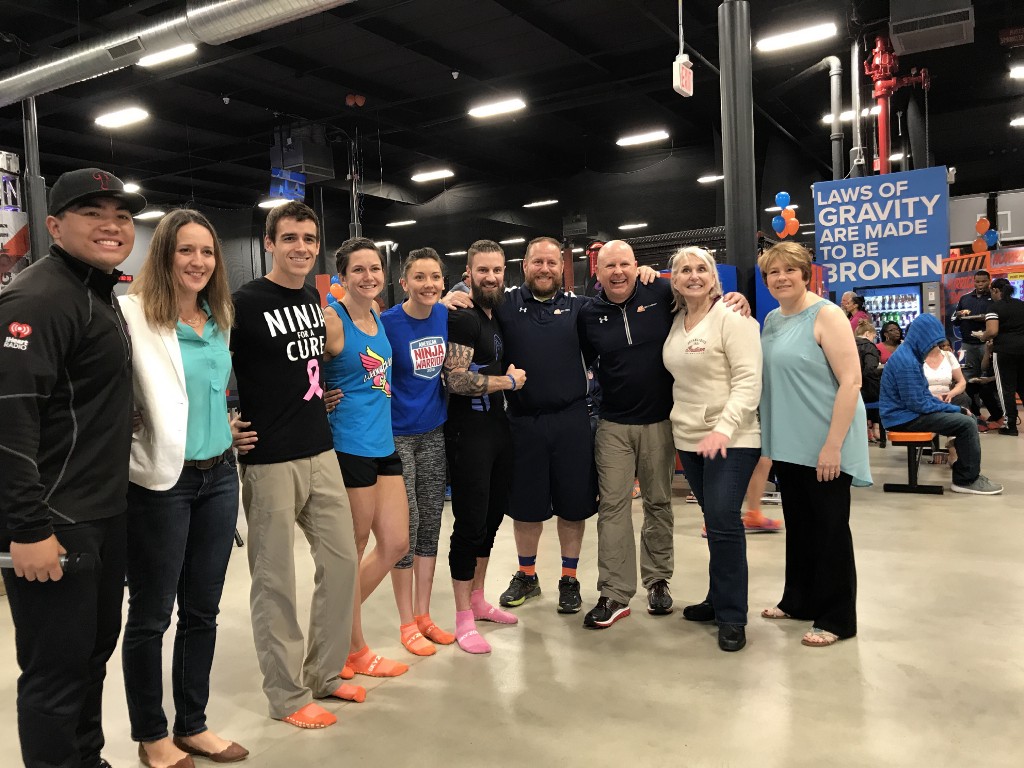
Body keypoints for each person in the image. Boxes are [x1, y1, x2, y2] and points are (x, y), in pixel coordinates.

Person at [0, 167, 144, 768]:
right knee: (56, 673)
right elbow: (8, 421)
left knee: (90, 657)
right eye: (92, 212)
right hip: (55, 521)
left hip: (102, 513)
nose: (111, 224)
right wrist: (28, 529)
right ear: (55, 226)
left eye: (122, 214)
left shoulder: (96, 292)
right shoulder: (39, 296)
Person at [118, 210, 248, 767]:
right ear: (164, 254)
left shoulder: (218, 317)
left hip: (219, 475)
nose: (198, 262)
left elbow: (212, 392)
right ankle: (152, 736)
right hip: (161, 483)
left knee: (204, 609)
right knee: (152, 615)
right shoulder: (132, 316)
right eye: (186, 251)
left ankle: (192, 724)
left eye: (208, 252)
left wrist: (225, 426)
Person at [230, 201, 361, 730]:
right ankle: (286, 695)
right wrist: (226, 420)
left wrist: (320, 392)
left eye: (309, 238)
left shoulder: (313, 297)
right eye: (290, 238)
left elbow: (310, 360)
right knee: (275, 580)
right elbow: (214, 364)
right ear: (269, 242)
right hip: (269, 459)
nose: (301, 247)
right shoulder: (243, 302)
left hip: (319, 448)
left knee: (342, 561)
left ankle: (325, 673)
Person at [576, 240, 750, 629]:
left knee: (658, 504)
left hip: (660, 423)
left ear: (637, 266)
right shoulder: (589, 314)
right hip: (613, 425)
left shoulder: (660, 292)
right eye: (609, 267)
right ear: (598, 273)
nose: (618, 272)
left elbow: (701, 297)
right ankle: (615, 593)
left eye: (624, 264)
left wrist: (735, 298)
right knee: (613, 509)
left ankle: (658, 581)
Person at [758, 242, 870, 648]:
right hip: (788, 443)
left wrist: (833, 446)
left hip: (825, 440)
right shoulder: (771, 319)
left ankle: (839, 617)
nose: (782, 277)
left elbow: (851, 382)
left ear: (806, 273)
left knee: (830, 530)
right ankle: (799, 600)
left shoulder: (827, 314)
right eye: (774, 272)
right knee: (801, 527)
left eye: (790, 270)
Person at [662, 247, 762, 653]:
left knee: (723, 521)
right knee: (713, 520)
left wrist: (723, 429)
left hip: (732, 439)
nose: (693, 275)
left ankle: (733, 615)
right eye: (684, 270)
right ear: (674, 279)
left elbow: (748, 380)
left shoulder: (733, 317)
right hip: (689, 438)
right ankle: (717, 597)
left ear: (714, 277)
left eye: (701, 268)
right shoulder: (676, 321)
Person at [323, 237, 411, 675]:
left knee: (396, 543)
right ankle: (351, 648)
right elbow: (295, 371)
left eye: (374, 269)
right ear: (342, 277)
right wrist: (315, 399)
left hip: (383, 442)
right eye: (358, 270)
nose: (368, 277)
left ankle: (329, 627)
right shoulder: (332, 319)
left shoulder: (375, 312)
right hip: (349, 444)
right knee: (353, 549)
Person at [442, 239, 526, 654]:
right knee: (470, 523)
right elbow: (454, 378)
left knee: (492, 520)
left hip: (497, 427)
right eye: (482, 271)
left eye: (496, 270)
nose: (490, 277)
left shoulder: (497, 313)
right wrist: (506, 382)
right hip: (468, 432)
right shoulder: (463, 317)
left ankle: (478, 599)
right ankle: (461, 617)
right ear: (468, 274)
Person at [380, 248, 456, 651]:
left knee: (430, 522)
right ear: (404, 282)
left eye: (436, 277)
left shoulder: (445, 314)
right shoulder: (388, 323)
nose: (429, 284)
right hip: (396, 436)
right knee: (404, 528)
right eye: (420, 277)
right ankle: (405, 622)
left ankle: (424, 615)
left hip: (433, 431)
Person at [879, 313, 1003, 495]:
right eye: (933, 343)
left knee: (963, 417)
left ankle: (966, 473)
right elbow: (918, 404)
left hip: (906, 413)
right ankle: (966, 480)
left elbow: (921, 397)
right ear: (922, 338)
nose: (935, 347)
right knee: (967, 423)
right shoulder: (907, 361)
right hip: (902, 418)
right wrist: (955, 409)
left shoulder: (910, 355)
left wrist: (954, 408)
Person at [984, 277, 1024, 436]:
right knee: (1023, 386)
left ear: (995, 290)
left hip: (1005, 351)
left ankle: (1010, 426)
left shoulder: (994, 307)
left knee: (1006, 389)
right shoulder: (1021, 304)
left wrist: (983, 336)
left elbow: (992, 332)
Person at [951, 269, 994, 378]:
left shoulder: (994, 298)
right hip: (965, 344)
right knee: (965, 374)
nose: (980, 284)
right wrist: (959, 315)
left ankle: (987, 395)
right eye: (977, 281)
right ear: (974, 282)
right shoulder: (965, 298)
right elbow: (954, 320)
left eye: (983, 281)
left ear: (989, 281)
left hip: (987, 344)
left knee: (988, 373)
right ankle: (969, 395)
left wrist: (986, 318)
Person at [922, 338, 971, 411]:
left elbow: (962, 382)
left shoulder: (948, 355)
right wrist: (932, 397)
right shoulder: (915, 357)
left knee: (963, 399)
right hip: (925, 398)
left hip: (947, 397)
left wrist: (951, 394)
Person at [855, 319, 883, 441]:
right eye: (873, 336)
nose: (874, 339)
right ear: (867, 334)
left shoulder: (849, 343)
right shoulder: (869, 347)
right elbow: (869, 371)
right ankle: (877, 429)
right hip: (866, 391)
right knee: (881, 391)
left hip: (850, 388)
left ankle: (868, 427)